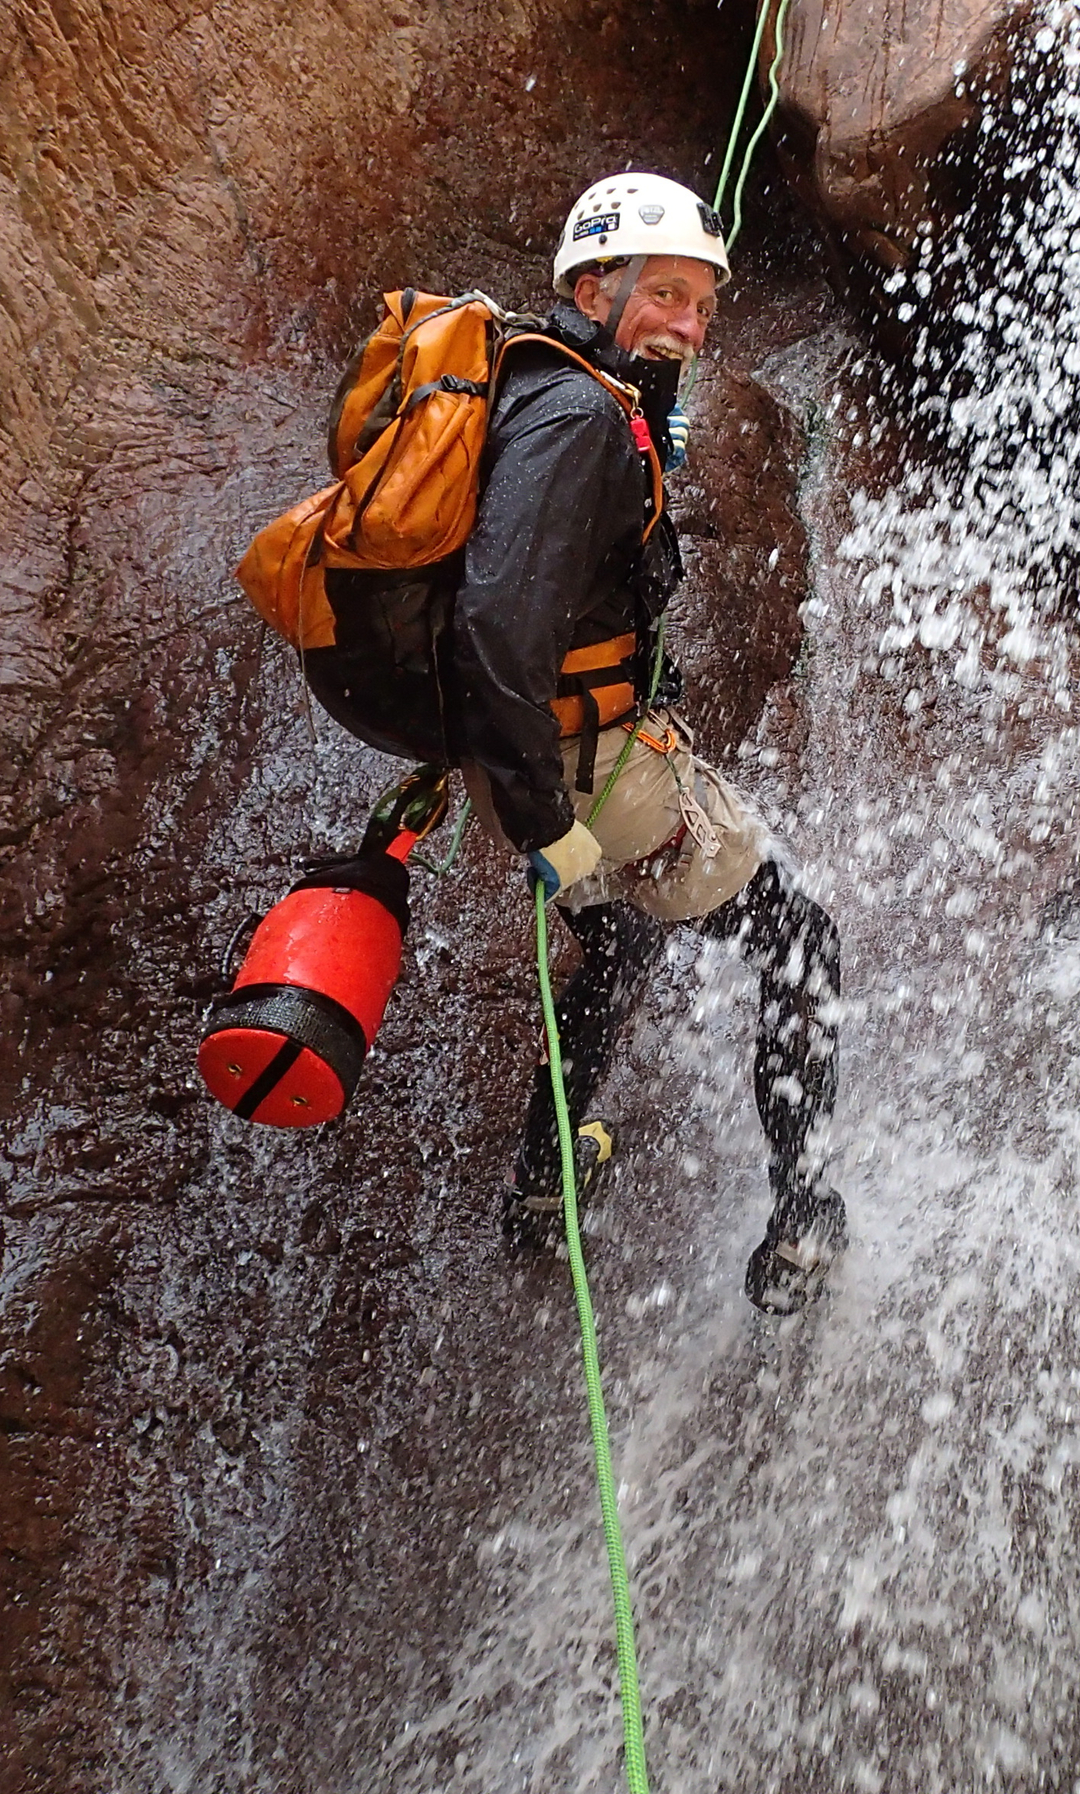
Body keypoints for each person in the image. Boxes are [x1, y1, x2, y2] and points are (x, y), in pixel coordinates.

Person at [301, 173, 845, 1312]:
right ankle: (803, 1226)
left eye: (700, 305)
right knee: (800, 942)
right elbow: (500, 618)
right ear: (591, 287)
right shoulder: (580, 416)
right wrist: (551, 827)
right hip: (582, 775)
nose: (688, 327)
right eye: (662, 296)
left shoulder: (546, 388)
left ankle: (544, 1187)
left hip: (535, 762)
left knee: (620, 948)